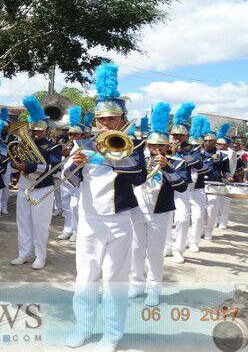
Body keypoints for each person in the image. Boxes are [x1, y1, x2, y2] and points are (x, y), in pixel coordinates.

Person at [65, 63, 146, 352]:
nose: (106, 124)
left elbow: (139, 174)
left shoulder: (133, 145)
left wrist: (107, 158)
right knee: (86, 276)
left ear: (121, 119)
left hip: (120, 219)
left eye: (112, 119)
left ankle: (112, 334)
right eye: (101, 119)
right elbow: (67, 178)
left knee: (115, 279)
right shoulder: (82, 143)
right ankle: (83, 327)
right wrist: (75, 165)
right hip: (89, 220)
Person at [129, 102, 187, 307]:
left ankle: (154, 289)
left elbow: (181, 187)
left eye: (159, 146)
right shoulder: (139, 160)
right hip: (137, 210)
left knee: (154, 252)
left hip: (159, 212)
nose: (155, 149)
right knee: (135, 250)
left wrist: (168, 168)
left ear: (166, 146)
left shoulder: (177, 162)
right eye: (152, 146)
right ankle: (136, 284)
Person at [11, 96, 61, 270]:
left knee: (40, 225)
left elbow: (54, 167)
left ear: (46, 130)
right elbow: (16, 162)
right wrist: (15, 163)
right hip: (24, 186)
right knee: (22, 222)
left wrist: (30, 166)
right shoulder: (23, 144)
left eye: (40, 130)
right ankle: (24, 253)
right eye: (34, 129)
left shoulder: (53, 147)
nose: (36, 132)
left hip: (42, 188)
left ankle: (40, 256)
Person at [164, 103, 206, 264]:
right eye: (174, 135)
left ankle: (178, 249)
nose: (176, 138)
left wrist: (181, 151)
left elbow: (201, 166)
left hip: (184, 187)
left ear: (186, 135)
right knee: (166, 218)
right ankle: (167, 245)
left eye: (180, 136)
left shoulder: (193, 149)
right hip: (166, 185)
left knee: (181, 219)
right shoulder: (163, 144)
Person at [198, 119, 232, 241]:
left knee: (212, 209)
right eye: (205, 140)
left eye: (210, 140)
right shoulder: (198, 153)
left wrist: (228, 176)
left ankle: (209, 230)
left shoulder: (222, 156)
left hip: (215, 184)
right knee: (199, 209)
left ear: (215, 141)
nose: (207, 142)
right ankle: (200, 229)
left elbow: (226, 169)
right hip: (199, 184)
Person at [57, 106, 86, 242]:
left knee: (75, 206)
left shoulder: (84, 146)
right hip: (65, 181)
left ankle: (76, 230)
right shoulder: (68, 146)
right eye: (70, 134)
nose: (72, 137)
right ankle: (67, 229)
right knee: (66, 205)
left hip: (76, 182)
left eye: (75, 135)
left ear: (81, 135)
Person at [215, 125, 244, 230]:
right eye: (218, 143)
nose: (219, 145)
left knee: (226, 202)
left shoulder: (232, 153)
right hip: (216, 180)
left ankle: (223, 221)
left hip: (228, 179)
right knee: (215, 201)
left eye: (222, 144)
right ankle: (215, 220)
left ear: (227, 144)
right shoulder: (214, 152)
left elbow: (234, 167)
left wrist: (231, 177)